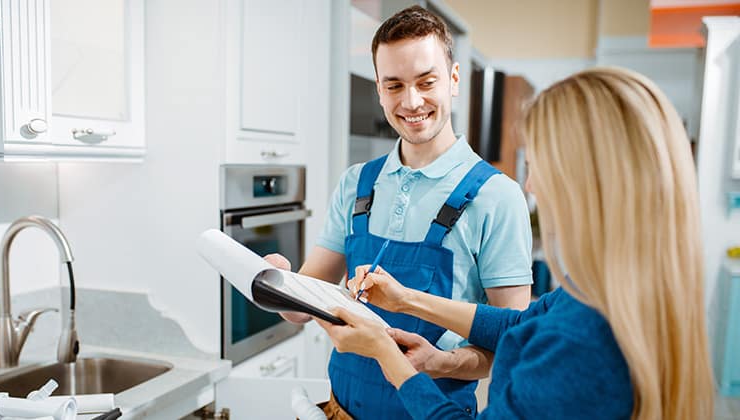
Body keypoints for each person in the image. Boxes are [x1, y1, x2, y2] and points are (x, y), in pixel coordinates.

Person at [316, 67, 715, 419]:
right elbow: (519, 322)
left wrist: (387, 356)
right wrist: (406, 300)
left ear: (587, 182)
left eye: (540, 166)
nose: (531, 184)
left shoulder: (577, 345)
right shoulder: (611, 291)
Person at [264, 5, 533, 419]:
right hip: (338, 410)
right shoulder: (356, 183)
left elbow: (516, 342)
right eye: (394, 86)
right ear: (378, 88)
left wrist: (438, 363)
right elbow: (303, 308)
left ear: (454, 79)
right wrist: (277, 284)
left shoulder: (498, 197)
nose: (411, 102)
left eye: (427, 82)